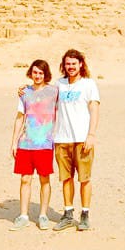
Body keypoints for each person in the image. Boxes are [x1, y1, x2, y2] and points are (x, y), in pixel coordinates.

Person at [51, 49, 100, 231]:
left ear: (80, 64)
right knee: (66, 178)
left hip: (82, 139)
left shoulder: (88, 84)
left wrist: (91, 135)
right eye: (67, 64)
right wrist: (25, 90)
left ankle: (85, 215)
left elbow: (94, 109)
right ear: (63, 65)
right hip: (62, 139)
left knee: (84, 178)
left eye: (74, 63)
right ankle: (68, 213)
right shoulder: (59, 84)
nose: (70, 67)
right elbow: (43, 97)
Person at [9, 59, 58, 231]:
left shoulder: (54, 91)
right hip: (26, 143)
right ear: (31, 73)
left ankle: (43, 215)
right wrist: (14, 142)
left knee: (45, 179)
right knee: (25, 179)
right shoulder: (25, 93)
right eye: (35, 72)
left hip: (44, 143)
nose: (37, 76)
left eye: (41, 73)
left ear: (46, 74)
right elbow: (19, 118)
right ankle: (23, 215)